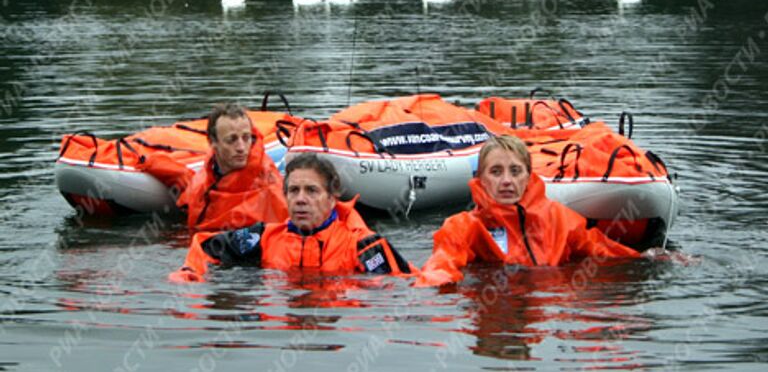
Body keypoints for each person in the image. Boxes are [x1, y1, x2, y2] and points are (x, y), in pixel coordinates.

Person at [416, 135, 640, 287]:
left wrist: (649, 258)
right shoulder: (463, 226)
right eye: (496, 172)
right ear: (481, 180)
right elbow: (443, 262)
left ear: (528, 176)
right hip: (495, 305)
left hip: (547, 308)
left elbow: (602, 250)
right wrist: (432, 284)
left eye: (515, 171)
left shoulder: (559, 218)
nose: (507, 181)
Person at [169, 153, 416, 282]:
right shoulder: (263, 237)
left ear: (332, 199)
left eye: (311, 191)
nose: (300, 199)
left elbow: (401, 291)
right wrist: (189, 273)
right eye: (294, 191)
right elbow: (203, 245)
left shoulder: (365, 247)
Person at [176, 103, 288, 231]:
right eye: (231, 140)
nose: (241, 148)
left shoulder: (270, 188)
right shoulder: (201, 182)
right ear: (213, 142)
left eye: (246, 138)